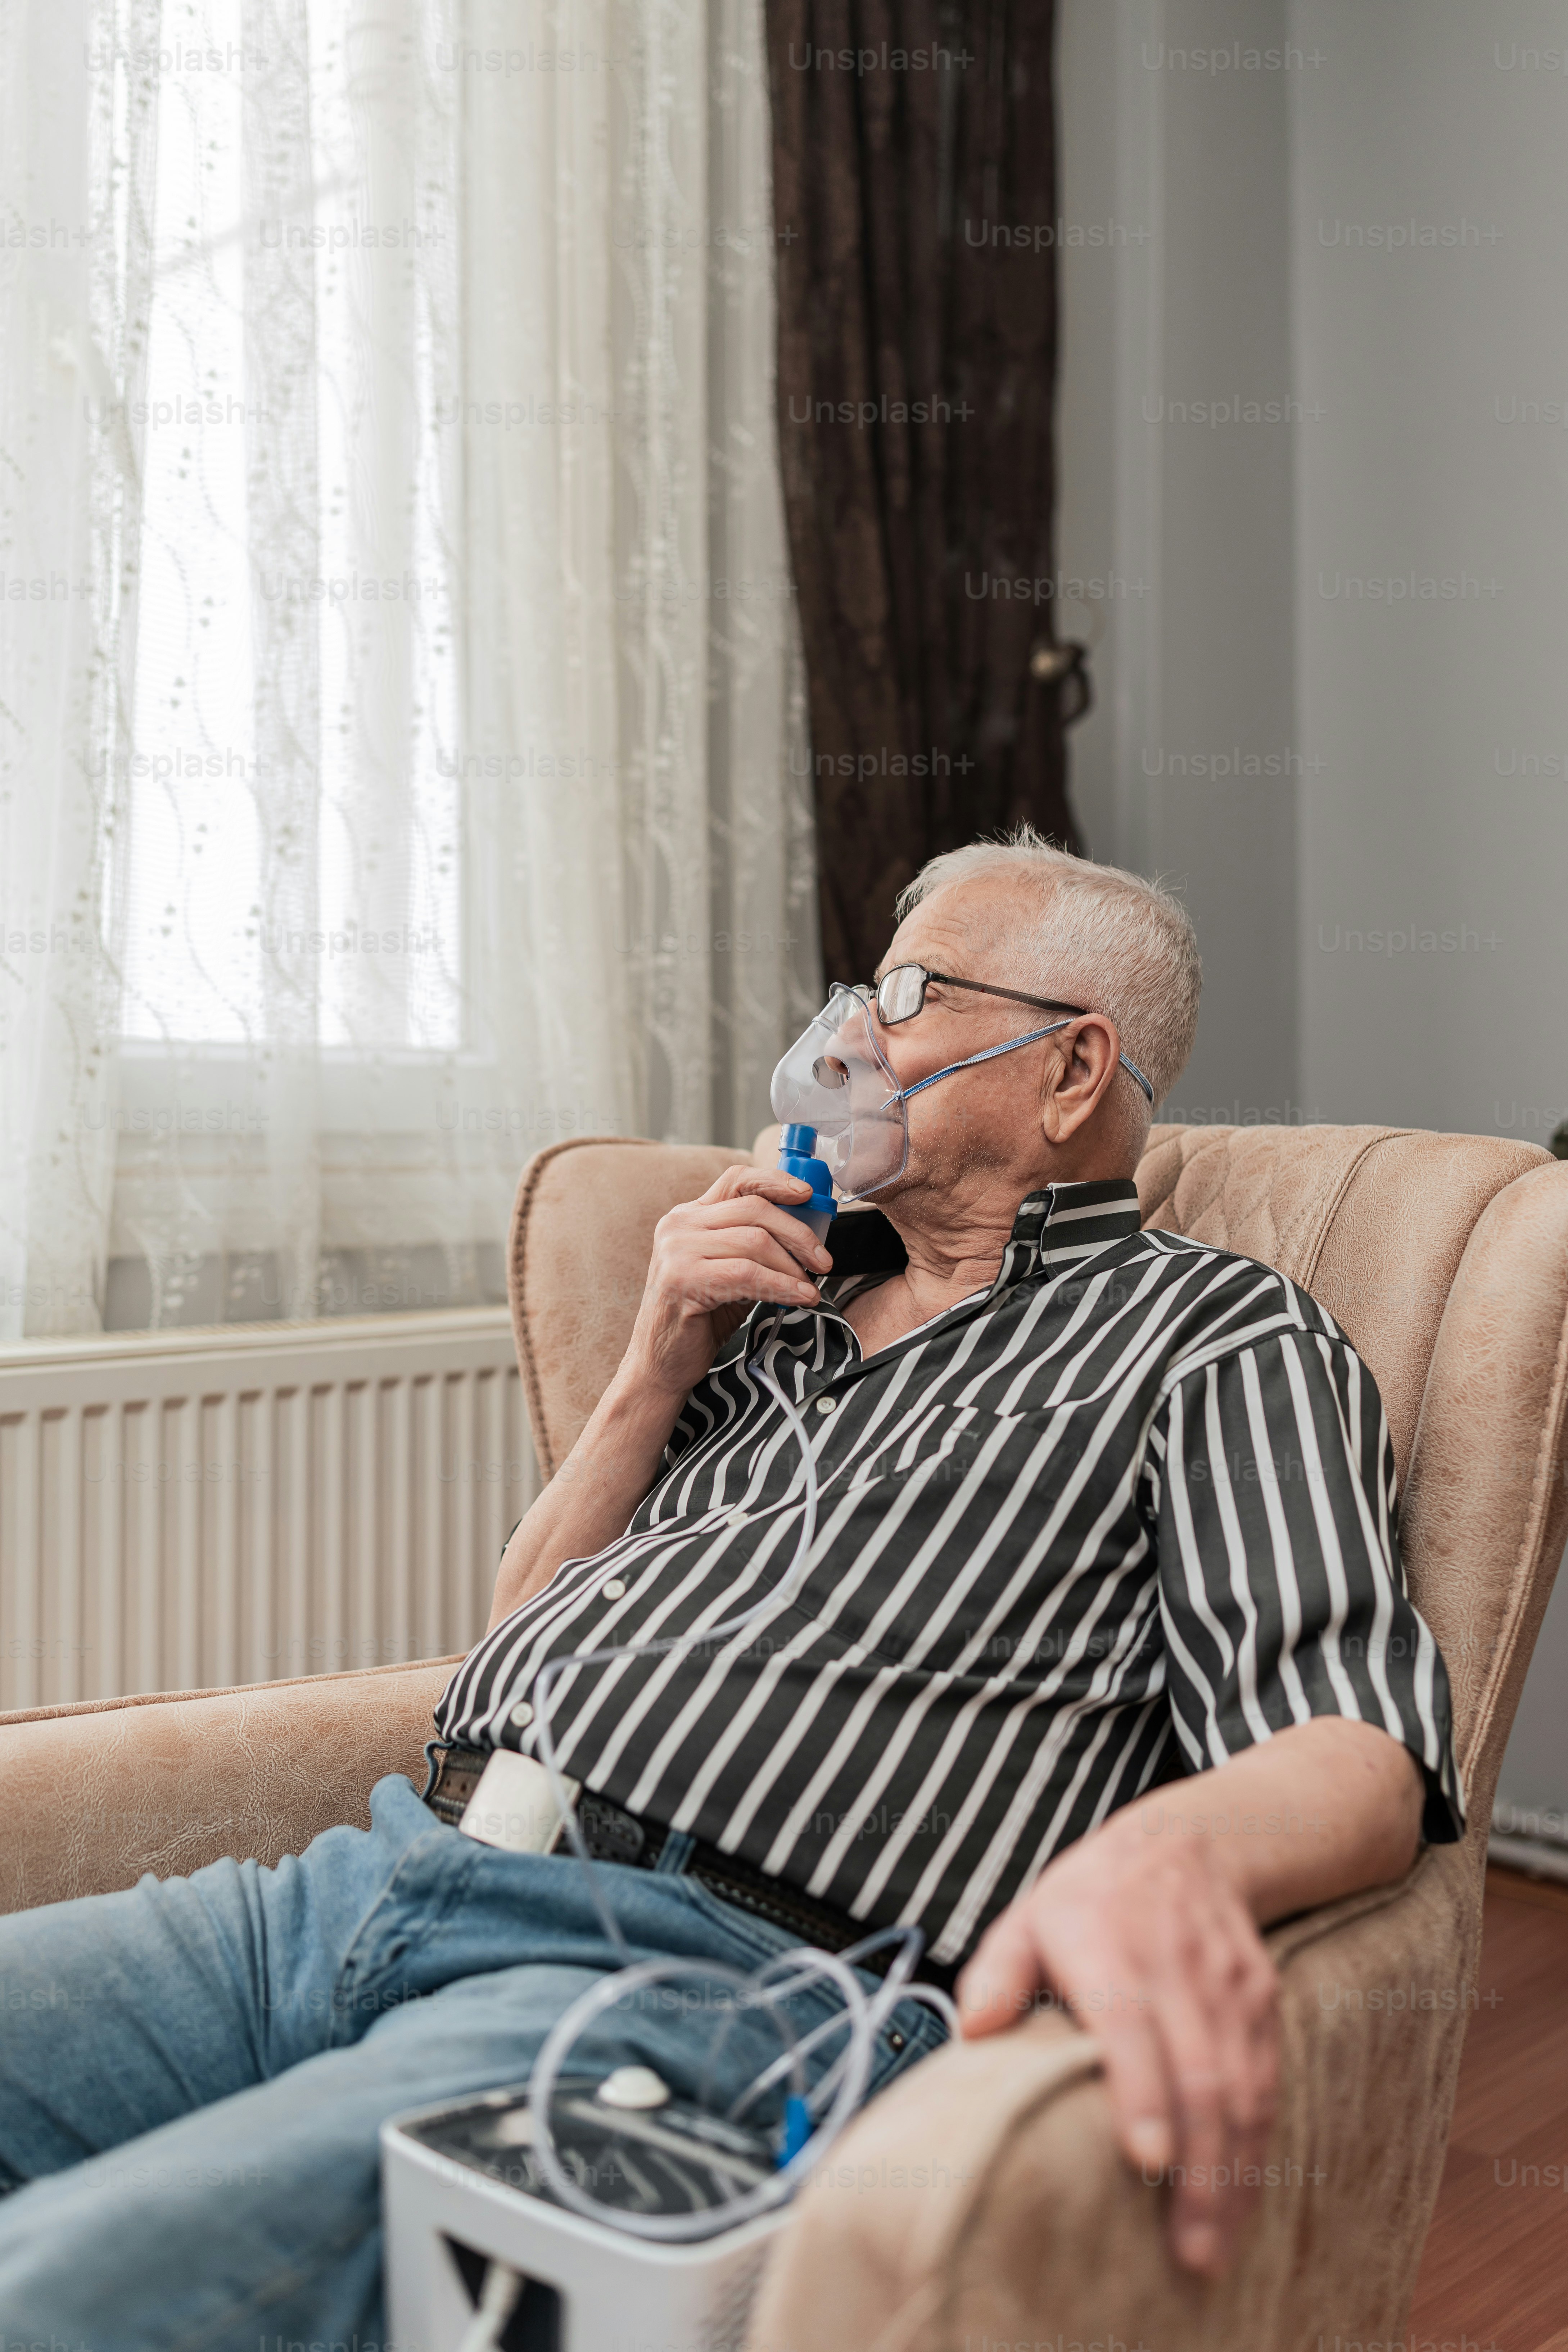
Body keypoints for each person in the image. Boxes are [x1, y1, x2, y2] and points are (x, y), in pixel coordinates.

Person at [0, 832, 1461, 2347]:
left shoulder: (1214, 1335)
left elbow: (1346, 1739)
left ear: (1072, 1067)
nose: (846, 1039)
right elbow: (511, 1643)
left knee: (57, 2295)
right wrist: (657, 1349)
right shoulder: (778, 1306)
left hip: (691, 1980)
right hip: (368, 1885)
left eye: (902, 992)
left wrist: (1163, 1854)